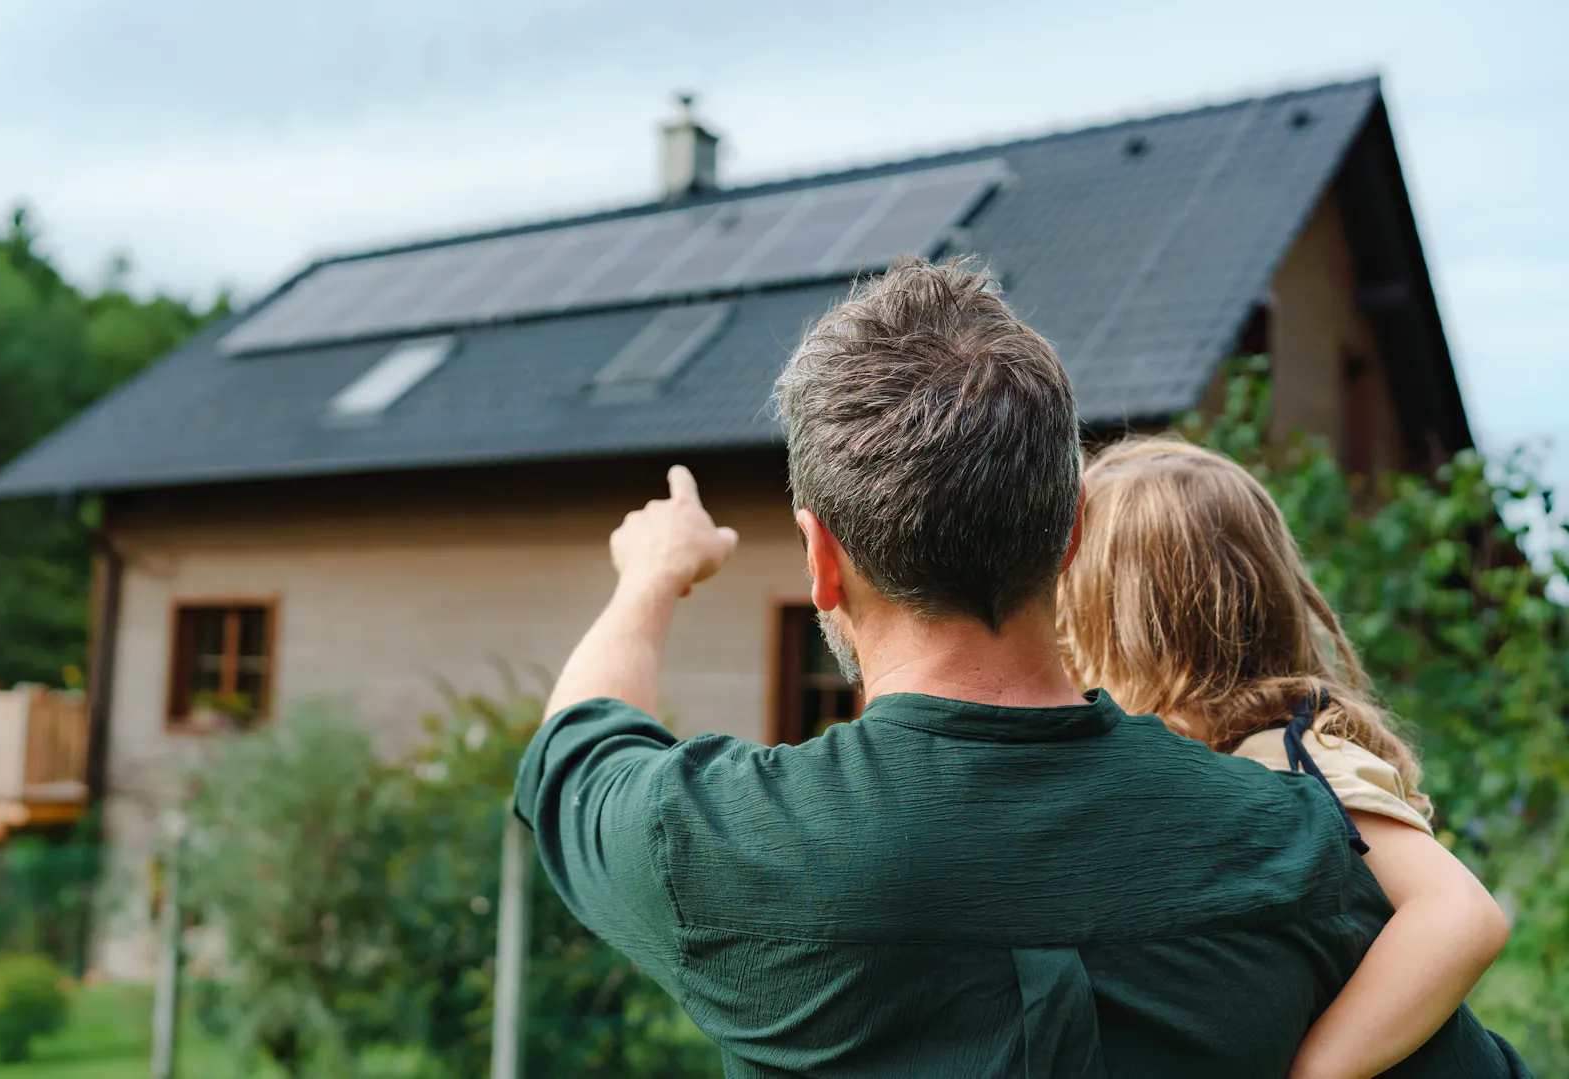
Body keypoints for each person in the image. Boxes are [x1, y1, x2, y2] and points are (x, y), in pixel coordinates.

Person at [511, 257, 1524, 1077]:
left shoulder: (718, 843)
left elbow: (578, 742)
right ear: (1071, 532)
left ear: (822, 559)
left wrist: (652, 574)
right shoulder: (1295, 843)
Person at [1057, 436, 1529, 1079]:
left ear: (1119, 625)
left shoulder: (1293, 757)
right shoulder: (1212, 760)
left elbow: (1461, 915)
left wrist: (1314, 1072)